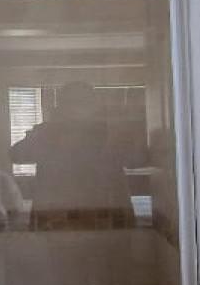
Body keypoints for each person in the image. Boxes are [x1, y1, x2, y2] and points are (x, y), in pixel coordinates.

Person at [9, 82, 130, 212]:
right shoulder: (47, 132)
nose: (77, 109)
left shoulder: (108, 131)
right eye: (72, 103)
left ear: (94, 105)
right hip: (57, 209)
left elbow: (134, 159)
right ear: (62, 106)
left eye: (83, 102)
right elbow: (16, 155)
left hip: (103, 206)